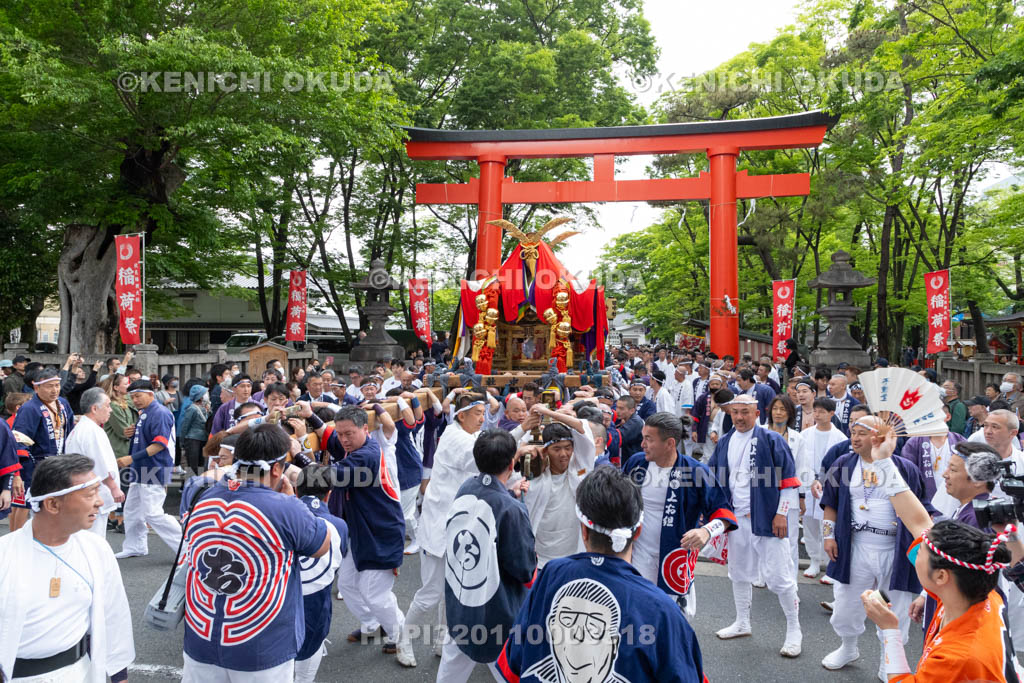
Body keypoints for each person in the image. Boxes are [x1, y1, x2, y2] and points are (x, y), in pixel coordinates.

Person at [497, 466, 707, 682]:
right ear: (639, 531)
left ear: (584, 530)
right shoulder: (662, 611)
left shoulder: (551, 575)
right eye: (567, 620)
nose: (579, 634)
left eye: (595, 627)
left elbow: (513, 665)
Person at [858, 427, 1024, 681]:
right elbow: (918, 522)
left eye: (921, 553)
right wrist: (883, 462)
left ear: (942, 576)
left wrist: (891, 630)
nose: (916, 551)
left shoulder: (957, 658)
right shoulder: (983, 595)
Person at [179, 424, 330, 681]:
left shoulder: (200, 495)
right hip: (262, 645)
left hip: (200, 637)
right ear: (276, 468)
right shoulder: (285, 508)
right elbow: (321, 545)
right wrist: (292, 500)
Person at [0, 455, 134, 682]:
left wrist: (119, 676)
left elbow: (114, 618)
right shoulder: (4, 555)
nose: (100, 501)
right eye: (90, 494)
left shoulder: (96, 549)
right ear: (53, 504)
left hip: (80, 673)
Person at [819, 416, 932, 678]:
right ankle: (848, 647)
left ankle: (887, 659)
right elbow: (830, 503)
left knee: (894, 608)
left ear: (879, 437)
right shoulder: (843, 464)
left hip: (894, 550)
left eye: (861, 433)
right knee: (846, 604)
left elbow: (922, 508)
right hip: (854, 546)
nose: (854, 438)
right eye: (852, 432)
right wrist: (828, 536)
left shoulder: (904, 468)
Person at [397, 392, 492, 668]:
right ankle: (404, 639)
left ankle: (442, 640)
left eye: (484, 413)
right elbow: (487, 461)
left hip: (460, 529)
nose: (482, 419)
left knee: (452, 590)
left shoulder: (467, 435)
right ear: (461, 415)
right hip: (440, 529)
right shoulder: (456, 438)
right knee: (431, 593)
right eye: (477, 414)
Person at [708, 394, 803, 657]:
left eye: (744, 413)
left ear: (757, 413)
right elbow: (713, 478)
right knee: (738, 572)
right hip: (736, 519)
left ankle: (794, 629)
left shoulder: (772, 440)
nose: (739, 417)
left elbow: (789, 480)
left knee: (780, 578)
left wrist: (782, 513)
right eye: (735, 412)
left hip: (766, 518)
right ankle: (742, 621)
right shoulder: (725, 441)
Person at [439, 429, 537, 682]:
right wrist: (515, 503)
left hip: (461, 597)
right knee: (508, 670)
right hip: (495, 608)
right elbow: (524, 568)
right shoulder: (510, 509)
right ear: (512, 462)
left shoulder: (466, 486)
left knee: (452, 666)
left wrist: (509, 494)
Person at [624, 412, 736, 617]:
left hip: (675, 557)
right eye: (643, 438)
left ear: (670, 443)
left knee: (673, 618)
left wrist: (706, 531)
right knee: (637, 614)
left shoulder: (695, 471)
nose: (642, 444)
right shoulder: (636, 464)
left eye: (649, 439)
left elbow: (725, 513)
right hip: (637, 553)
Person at [316, 404, 406, 658]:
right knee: (347, 584)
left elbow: (326, 477)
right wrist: (309, 416)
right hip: (359, 531)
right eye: (340, 433)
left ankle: (401, 635)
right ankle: (372, 624)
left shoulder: (366, 454)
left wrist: (297, 458)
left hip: (381, 532)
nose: (343, 439)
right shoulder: (355, 447)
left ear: (366, 429)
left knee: (374, 592)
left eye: (349, 434)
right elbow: (330, 439)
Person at [114, 379, 182, 559]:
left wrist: (130, 458)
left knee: (153, 513)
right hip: (141, 468)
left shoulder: (159, 413)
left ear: (151, 394)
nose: (135, 400)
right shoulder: (145, 412)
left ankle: (185, 548)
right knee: (132, 510)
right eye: (132, 397)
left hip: (154, 467)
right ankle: (135, 546)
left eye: (138, 396)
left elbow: (159, 445)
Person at [294, 464, 349, 683]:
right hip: (317, 608)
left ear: (297, 491)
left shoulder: (280, 519)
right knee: (306, 668)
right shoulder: (340, 526)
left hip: (282, 606)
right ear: (329, 494)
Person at [10, 367, 76, 532]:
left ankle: (45, 538)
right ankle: (16, 542)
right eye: (49, 386)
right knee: (26, 504)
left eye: (57, 385)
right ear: (36, 387)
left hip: (59, 463)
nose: (54, 390)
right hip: (35, 465)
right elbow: (19, 441)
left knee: (53, 505)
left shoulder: (63, 403)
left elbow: (69, 431)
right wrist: (20, 472)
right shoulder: (30, 408)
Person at [62, 387, 125, 537]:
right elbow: (100, 464)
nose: (110, 410)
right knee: (94, 537)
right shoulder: (91, 431)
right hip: (93, 492)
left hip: (82, 490)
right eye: (108, 406)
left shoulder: (82, 428)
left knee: (84, 535)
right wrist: (114, 487)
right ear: (95, 408)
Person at [797, 397, 847, 579]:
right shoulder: (805, 435)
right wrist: (809, 480)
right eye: (815, 411)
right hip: (808, 484)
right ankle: (814, 561)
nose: (817, 415)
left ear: (831, 414)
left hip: (829, 486)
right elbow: (801, 462)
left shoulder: (841, 438)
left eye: (821, 412)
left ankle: (829, 565)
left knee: (827, 526)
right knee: (809, 525)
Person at [765, 396, 805, 582]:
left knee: (789, 540)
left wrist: (803, 496)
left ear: (789, 414)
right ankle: (764, 575)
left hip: (789, 493)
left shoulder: (797, 438)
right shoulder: (760, 433)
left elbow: (802, 468)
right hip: (764, 492)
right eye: (775, 409)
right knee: (763, 537)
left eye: (783, 409)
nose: (778, 413)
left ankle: (790, 578)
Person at [178, 384, 211, 472]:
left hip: (202, 439)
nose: (207, 395)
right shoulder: (192, 408)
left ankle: (198, 483)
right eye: (205, 393)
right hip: (192, 439)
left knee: (201, 464)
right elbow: (185, 425)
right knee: (193, 465)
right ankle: (190, 483)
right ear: (200, 397)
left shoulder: (205, 408)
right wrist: (182, 440)